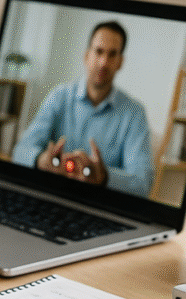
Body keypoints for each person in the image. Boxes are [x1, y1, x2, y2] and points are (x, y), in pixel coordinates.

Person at [12, 21, 154, 198]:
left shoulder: (134, 114)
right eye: (99, 51)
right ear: (87, 55)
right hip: (50, 195)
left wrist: (105, 177)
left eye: (112, 55)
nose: (103, 62)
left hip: (100, 205)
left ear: (120, 62)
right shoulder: (59, 96)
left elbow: (143, 183)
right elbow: (20, 151)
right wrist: (41, 160)